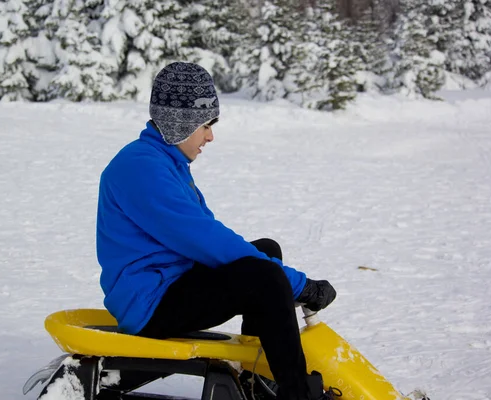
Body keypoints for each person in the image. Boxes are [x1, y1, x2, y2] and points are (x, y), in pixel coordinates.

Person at [96, 62, 338, 400]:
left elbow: (207, 237)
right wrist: (300, 285)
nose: (210, 136)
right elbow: (209, 242)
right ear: (180, 123)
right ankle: (296, 395)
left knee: (266, 253)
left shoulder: (165, 162)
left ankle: (258, 379)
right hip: (150, 303)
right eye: (205, 125)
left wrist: (281, 275)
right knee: (264, 278)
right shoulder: (142, 169)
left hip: (168, 283)